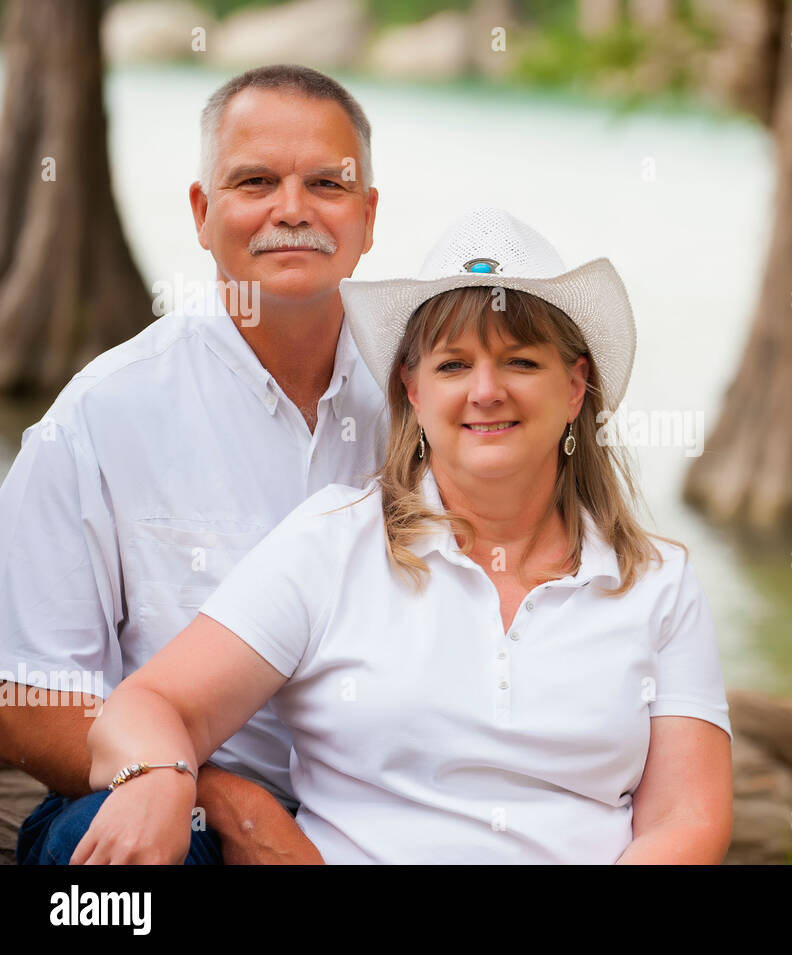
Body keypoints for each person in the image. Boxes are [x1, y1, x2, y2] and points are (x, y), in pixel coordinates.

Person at [71, 207, 734, 864]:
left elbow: (688, 817)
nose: (485, 390)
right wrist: (161, 776)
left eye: (520, 362)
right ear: (412, 390)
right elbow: (150, 703)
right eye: (452, 365)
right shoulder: (333, 542)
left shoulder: (657, 582)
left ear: (574, 385)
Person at [0, 64, 384, 864]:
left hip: (381, 810)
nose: (293, 209)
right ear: (203, 214)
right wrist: (206, 786)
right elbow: (26, 699)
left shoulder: (430, 402)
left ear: (367, 216)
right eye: (255, 181)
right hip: (158, 799)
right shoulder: (101, 416)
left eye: (326, 183)